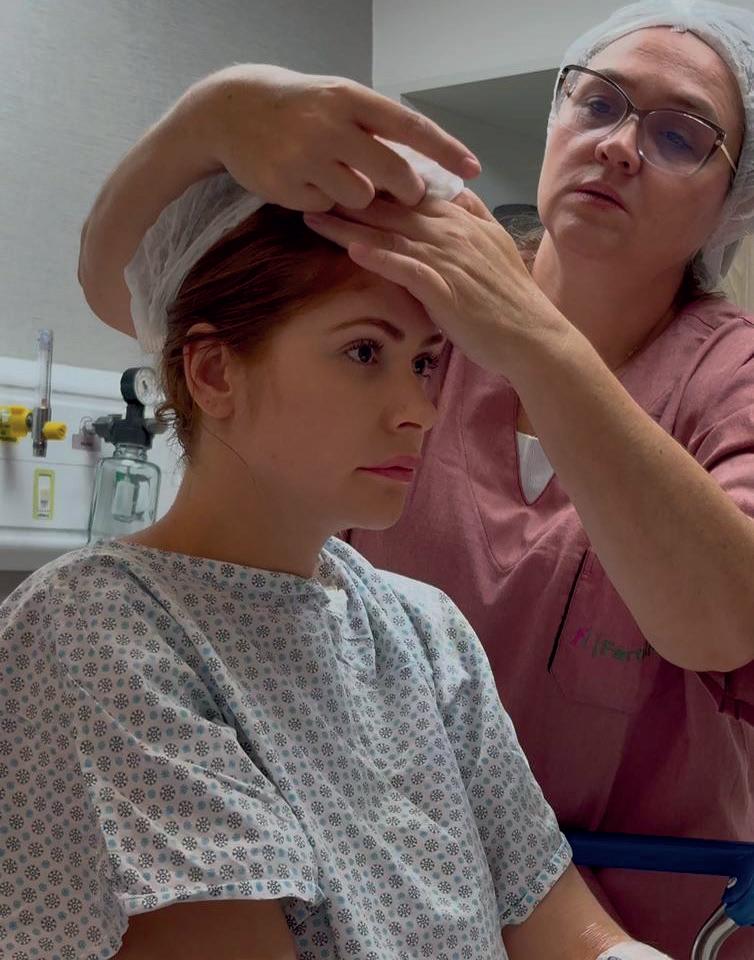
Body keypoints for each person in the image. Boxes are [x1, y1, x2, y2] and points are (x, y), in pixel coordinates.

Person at [75, 1, 754, 954]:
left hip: (645, 914)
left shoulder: (727, 379)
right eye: (598, 103)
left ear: (734, 203)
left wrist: (533, 341)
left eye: (679, 135)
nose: (618, 145)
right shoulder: (430, 288)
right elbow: (156, 288)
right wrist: (209, 119)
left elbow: (725, 618)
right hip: (378, 899)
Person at [1, 157, 681, 959]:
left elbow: (549, 913)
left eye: (425, 361)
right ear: (214, 372)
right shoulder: (99, 631)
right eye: (364, 352)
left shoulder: (423, 631)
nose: (420, 409)